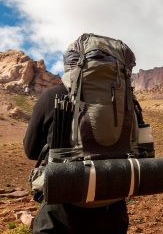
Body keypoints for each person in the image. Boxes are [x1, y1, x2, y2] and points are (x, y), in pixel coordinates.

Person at [24, 82, 129, 233]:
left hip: (61, 207)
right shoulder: (124, 98)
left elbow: (31, 150)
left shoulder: (52, 95)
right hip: (113, 206)